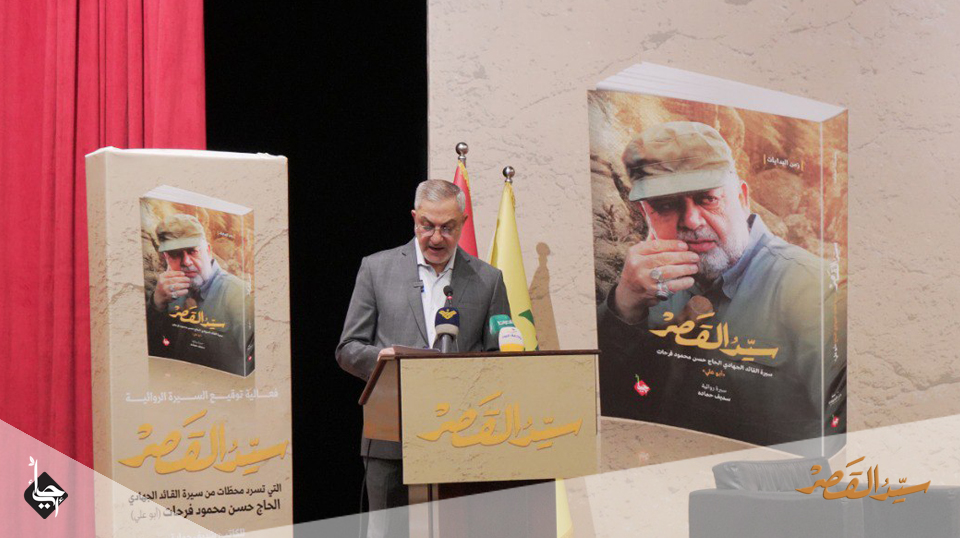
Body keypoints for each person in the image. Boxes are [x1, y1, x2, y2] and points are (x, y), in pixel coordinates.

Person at [597, 121, 846, 450]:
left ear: (742, 198)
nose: (691, 221)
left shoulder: (812, 290)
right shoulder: (642, 285)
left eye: (707, 199)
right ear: (646, 212)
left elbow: (847, 435)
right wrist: (623, 306)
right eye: (666, 205)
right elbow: (603, 398)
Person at [336, 179, 511, 537]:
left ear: (463, 223)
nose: (436, 238)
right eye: (427, 225)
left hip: (462, 439)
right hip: (391, 438)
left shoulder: (488, 280)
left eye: (448, 227)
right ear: (414, 218)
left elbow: (499, 359)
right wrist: (383, 360)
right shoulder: (376, 269)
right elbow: (348, 348)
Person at [146, 213, 254, 376]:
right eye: (175, 254)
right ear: (166, 257)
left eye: (193, 251)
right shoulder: (165, 291)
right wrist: (156, 304)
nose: (186, 262)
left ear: (208, 250)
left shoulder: (237, 294)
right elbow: (153, 348)